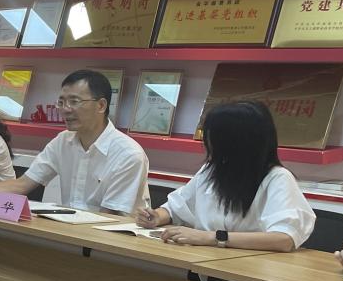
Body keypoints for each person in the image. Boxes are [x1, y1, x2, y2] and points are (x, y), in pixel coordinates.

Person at [135, 101, 315, 250]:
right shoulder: (211, 171)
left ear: (234, 144)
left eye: (213, 138)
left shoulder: (277, 178)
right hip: (205, 263)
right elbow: (177, 208)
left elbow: (284, 239)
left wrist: (212, 238)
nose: (207, 145)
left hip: (249, 271)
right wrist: (157, 217)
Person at [0, 69, 149, 214]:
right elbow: (23, 184)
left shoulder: (128, 154)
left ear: (101, 105)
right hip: (72, 234)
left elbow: (110, 216)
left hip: (116, 241)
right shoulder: (63, 140)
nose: (65, 109)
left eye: (74, 102)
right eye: (61, 102)